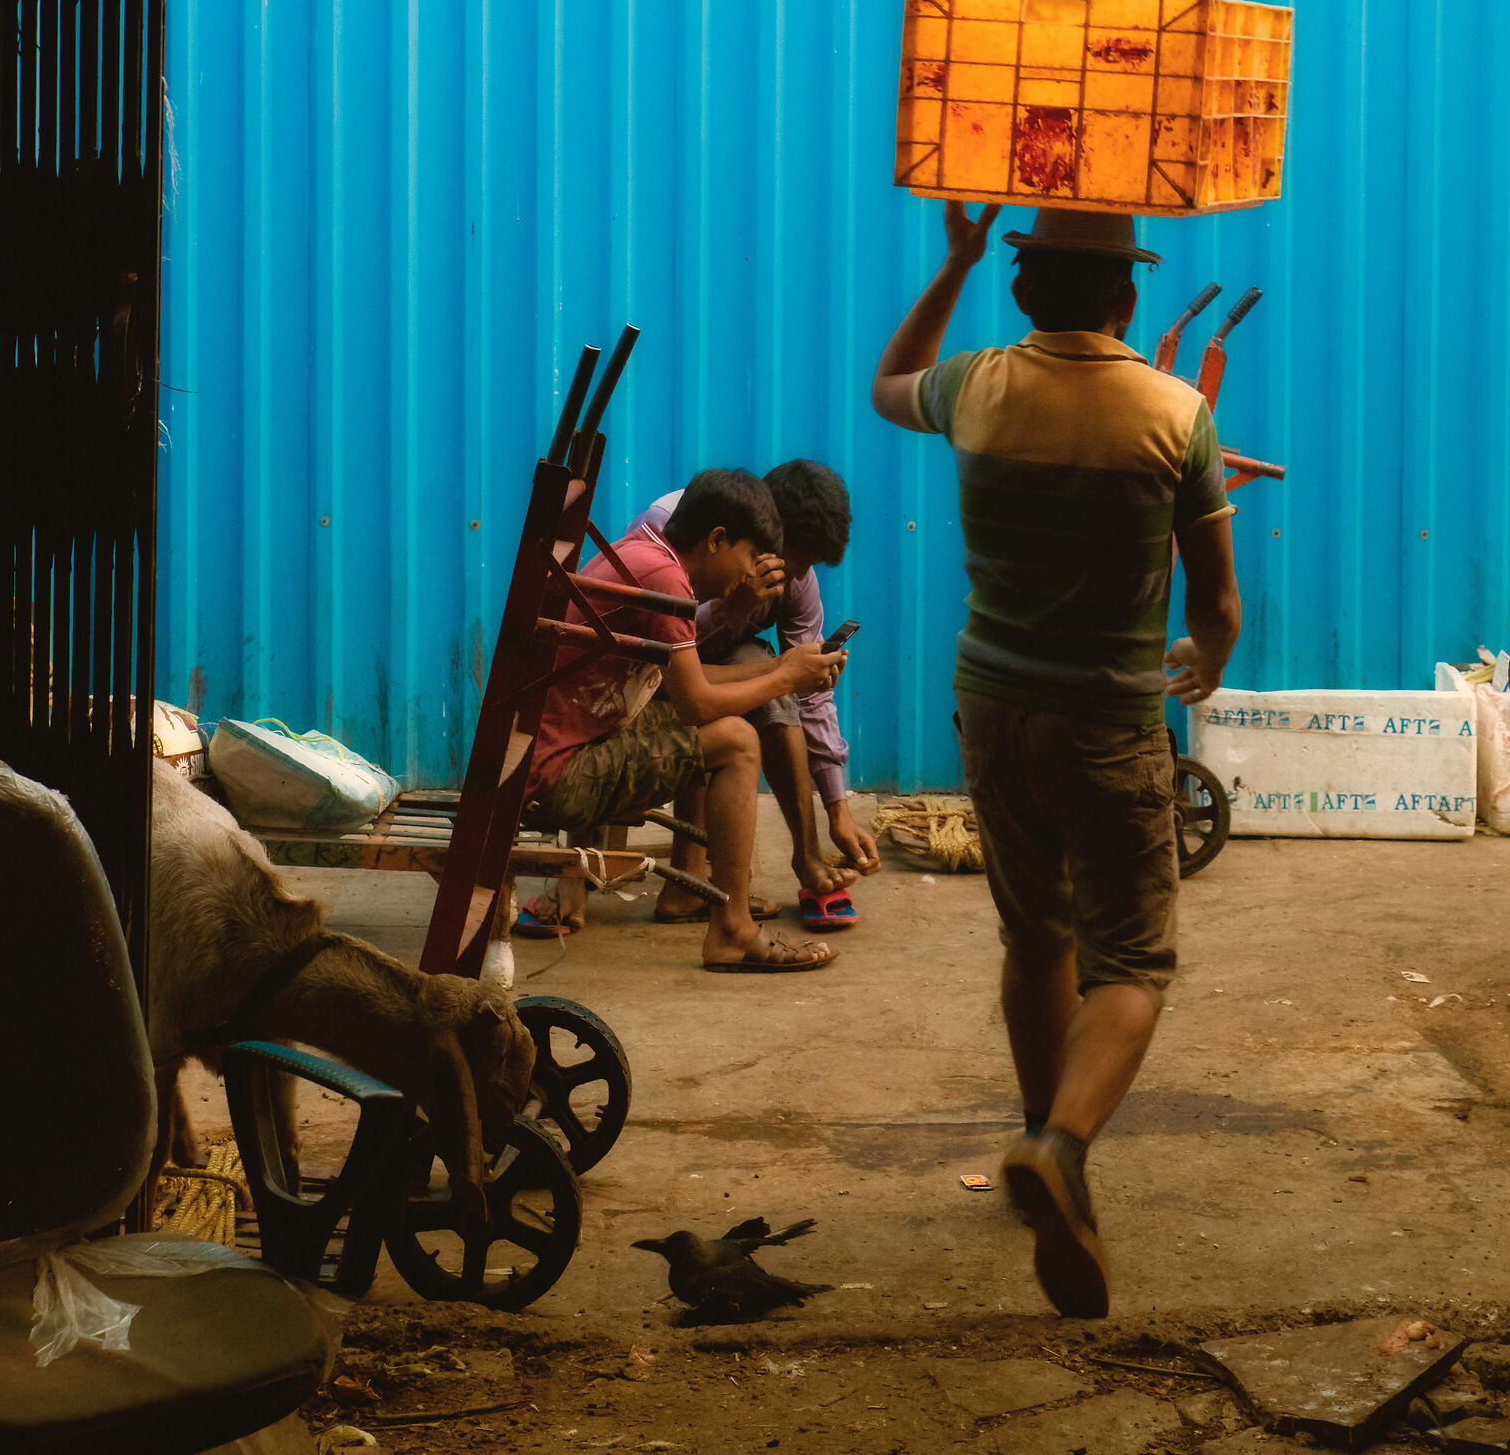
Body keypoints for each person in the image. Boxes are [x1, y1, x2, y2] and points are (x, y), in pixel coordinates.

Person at [871, 203, 1242, 1317]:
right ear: (1127, 295)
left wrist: (955, 261)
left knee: (1036, 934)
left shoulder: (976, 386)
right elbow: (1217, 597)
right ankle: (1064, 1149)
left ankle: (1042, 1144)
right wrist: (1209, 654)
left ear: (1026, 289)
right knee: (1132, 963)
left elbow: (892, 384)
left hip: (993, 708)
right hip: (1108, 720)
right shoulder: (1177, 415)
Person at [520, 467, 845, 975]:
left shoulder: (643, 550)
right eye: (747, 558)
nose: (748, 576)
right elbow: (696, 705)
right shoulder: (668, 580)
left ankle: (703, 896)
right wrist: (785, 681)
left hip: (539, 756)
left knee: (726, 730)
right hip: (557, 777)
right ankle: (733, 930)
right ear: (717, 539)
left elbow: (690, 675)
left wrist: (785, 665)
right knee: (736, 741)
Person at [638, 460, 880, 931]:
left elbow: (809, 695)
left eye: (808, 565)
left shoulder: (797, 581)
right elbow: (663, 656)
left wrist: (838, 808)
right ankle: (691, 882)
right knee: (745, 708)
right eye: (793, 557)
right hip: (649, 671)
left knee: (778, 684)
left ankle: (807, 859)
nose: (796, 574)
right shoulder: (668, 532)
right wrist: (730, 609)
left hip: (707, 672)